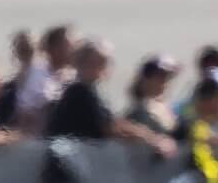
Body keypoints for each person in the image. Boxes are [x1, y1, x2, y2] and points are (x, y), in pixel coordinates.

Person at [46, 39, 177, 157]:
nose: (104, 67)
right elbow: (111, 128)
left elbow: (112, 122)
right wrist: (154, 140)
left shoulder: (87, 90)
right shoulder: (80, 91)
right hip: (68, 163)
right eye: (98, 62)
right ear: (83, 63)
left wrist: (152, 138)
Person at [12, 23, 75, 134]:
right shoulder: (36, 72)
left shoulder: (72, 75)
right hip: (37, 136)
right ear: (54, 48)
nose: (73, 50)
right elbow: (27, 110)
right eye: (68, 46)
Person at [123, 54, 181, 138]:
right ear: (145, 79)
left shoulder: (166, 108)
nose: (165, 82)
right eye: (161, 76)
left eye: (169, 77)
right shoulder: (138, 112)